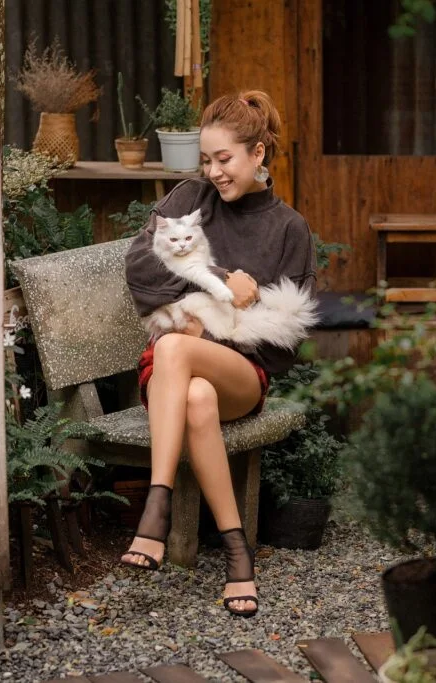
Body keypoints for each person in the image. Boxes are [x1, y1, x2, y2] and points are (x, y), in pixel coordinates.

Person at [121, 90, 317, 618]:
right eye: (206, 160)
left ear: (258, 153)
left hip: (241, 374)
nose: (213, 172)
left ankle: (155, 508)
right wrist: (221, 283)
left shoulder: (289, 229)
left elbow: (286, 338)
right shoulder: (191, 198)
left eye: (224, 159)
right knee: (196, 398)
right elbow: (140, 267)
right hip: (174, 378)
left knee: (177, 347)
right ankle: (237, 553)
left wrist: (211, 331)